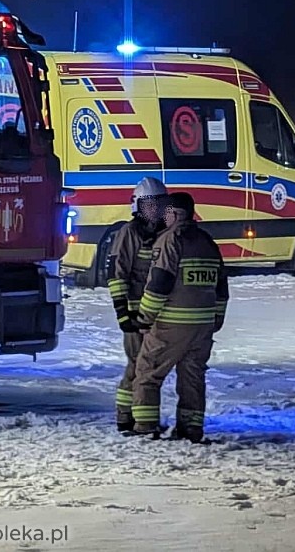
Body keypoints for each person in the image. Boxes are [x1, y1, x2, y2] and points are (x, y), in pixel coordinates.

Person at [128, 192, 229, 442]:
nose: (163, 217)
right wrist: (216, 319)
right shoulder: (207, 242)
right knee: (193, 377)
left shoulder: (169, 241)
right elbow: (221, 287)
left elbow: (159, 283)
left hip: (171, 324)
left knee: (147, 372)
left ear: (174, 214)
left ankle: (145, 426)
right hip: (203, 326)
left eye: (166, 213)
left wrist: (144, 318)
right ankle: (191, 429)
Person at [106, 176, 169, 432]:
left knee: (148, 367)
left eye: (159, 204)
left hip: (155, 314)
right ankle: (126, 417)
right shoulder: (129, 233)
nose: (155, 210)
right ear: (138, 207)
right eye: (150, 205)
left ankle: (140, 417)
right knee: (136, 365)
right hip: (134, 313)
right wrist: (123, 314)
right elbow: (117, 275)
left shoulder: (165, 234)